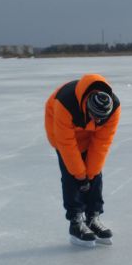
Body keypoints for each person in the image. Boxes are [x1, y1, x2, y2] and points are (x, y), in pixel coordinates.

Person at [44, 73, 121, 247]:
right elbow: (66, 144)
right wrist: (79, 175)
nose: (100, 120)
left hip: (88, 132)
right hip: (60, 130)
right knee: (71, 174)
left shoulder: (113, 108)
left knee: (95, 173)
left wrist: (91, 173)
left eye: (102, 118)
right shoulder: (64, 103)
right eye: (96, 116)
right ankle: (76, 222)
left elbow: (102, 143)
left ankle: (93, 217)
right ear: (87, 106)